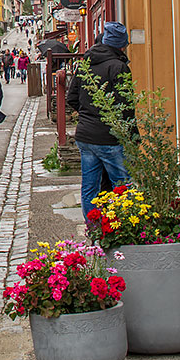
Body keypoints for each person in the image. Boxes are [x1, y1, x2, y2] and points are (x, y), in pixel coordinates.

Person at [66, 22, 135, 218]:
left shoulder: (86, 63)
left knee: (90, 187)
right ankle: (123, 226)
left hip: (86, 136)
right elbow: (126, 107)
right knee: (122, 185)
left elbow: (71, 97)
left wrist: (87, 113)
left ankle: (94, 229)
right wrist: (130, 135)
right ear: (121, 45)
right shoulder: (119, 67)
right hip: (109, 137)